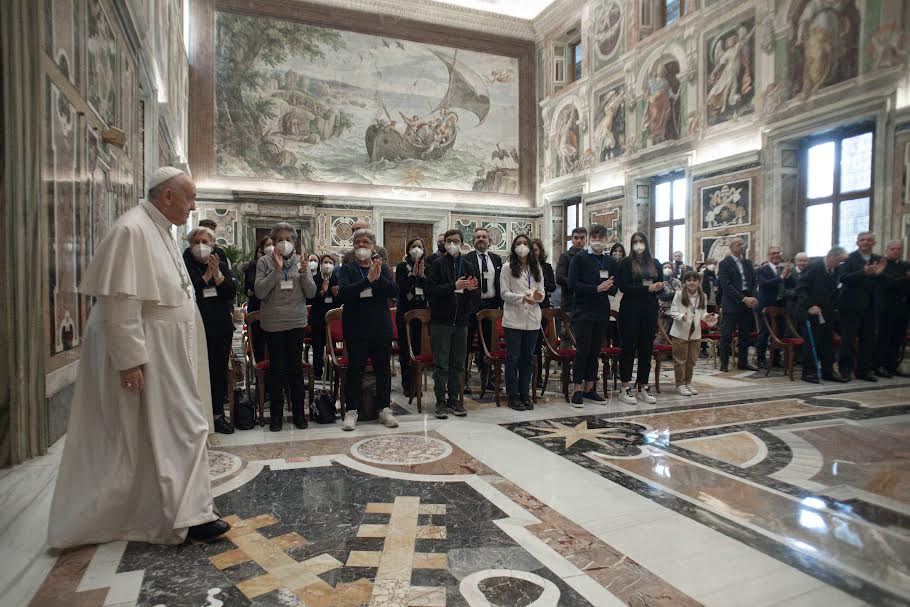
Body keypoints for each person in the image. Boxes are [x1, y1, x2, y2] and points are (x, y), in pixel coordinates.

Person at [48, 167, 230, 548]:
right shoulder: (132, 230)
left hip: (167, 354)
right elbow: (119, 302)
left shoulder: (160, 230)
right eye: (189, 198)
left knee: (178, 429)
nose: (193, 207)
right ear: (167, 196)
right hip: (150, 355)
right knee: (179, 429)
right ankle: (188, 515)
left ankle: (188, 511)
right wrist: (129, 360)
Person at [255, 222, 317, 431]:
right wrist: (276, 270)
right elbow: (260, 292)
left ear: (294, 242)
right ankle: (276, 417)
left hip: (296, 322)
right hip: (273, 323)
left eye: (288, 239)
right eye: (279, 239)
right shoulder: (264, 262)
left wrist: (304, 273)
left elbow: (311, 293)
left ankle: (299, 414)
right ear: (273, 242)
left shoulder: (301, 261)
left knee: (295, 369)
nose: (284, 243)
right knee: (277, 370)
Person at [337, 229, 400, 431]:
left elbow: (393, 291)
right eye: (358, 242)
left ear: (373, 247)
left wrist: (378, 276)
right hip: (356, 327)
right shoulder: (347, 269)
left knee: (383, 370)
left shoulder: (382, 267)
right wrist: (367, 280)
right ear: (353, 246)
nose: (361, 246)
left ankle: (384, 409)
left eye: (365, 242)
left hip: (380, 326)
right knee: (356, 370)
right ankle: (352, 411)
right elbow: (344, 294)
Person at [183, 226, 237, 435]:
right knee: (196, 372)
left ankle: (216, 415)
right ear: (190, 245)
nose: (201, 246)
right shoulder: (186, 265)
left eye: (205, 242)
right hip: (196, 326)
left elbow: (230, 293)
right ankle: (197, 416)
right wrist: (206, 277)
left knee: (218, 372)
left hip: (220, 327)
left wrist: (218, 276)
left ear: (213, 244)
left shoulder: (220, 264)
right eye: (196, 242)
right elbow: (188, 293)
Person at [427, 229, 478, 419]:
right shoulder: (437, 263)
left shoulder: (468, 265)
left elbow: (474, 292)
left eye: (455, 241)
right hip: (441, 320)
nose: (451, 244)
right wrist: (453, 286)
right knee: (441, 363)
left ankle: (454, 400)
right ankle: (440, 401)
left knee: (458, 363)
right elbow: (431, 291)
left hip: (461, 321)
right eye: (448, 241)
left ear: (462, 244)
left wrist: (471, 289)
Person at [568, 224, 619, 407]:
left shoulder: (610, 261)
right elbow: (573, 284)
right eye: (595, 237)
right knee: (582, 351)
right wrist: (596, 288)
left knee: (595, 351)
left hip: (601, 311)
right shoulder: (580, 258)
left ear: (606, 239)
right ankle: (577, 390)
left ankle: (590, 388)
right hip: (583, 311)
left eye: (601, 237)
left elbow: (615, 287)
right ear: (590, 239)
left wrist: (610, 286)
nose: (598, 240)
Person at [616, 232, 665, 405]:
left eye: (641, 241)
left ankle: (643, 385)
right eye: (635, 242)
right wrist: (647, 289)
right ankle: (625, 386)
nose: (638, 244)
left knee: (646, 348)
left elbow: (660, 285)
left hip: (649, 308)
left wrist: (659, 287)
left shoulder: (655, 263)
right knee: (628, 347)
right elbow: (623, 286)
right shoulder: (625, 263)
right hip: (630, 308)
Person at [500, 235, 545, 411]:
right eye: (519, 243)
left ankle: (524, 393)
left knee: (528, 359)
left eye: (525, 243)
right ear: (514, 247)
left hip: (532, 319)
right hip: (513, 320)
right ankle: (513, 395)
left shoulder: (536, 267)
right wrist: (522, 298)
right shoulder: (507, 267)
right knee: (513, 358)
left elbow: (541, 291)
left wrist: (539, 296)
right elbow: (504, 293)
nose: (522, 246)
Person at [838, 231, 887, 381]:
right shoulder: (849, 258)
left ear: (874, 243)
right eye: (863, 240)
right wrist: (863, 272)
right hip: (851, 305)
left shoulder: (879, 259)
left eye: (869, 240)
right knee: (848, 339)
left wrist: (879, 274)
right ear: (857, 243)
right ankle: (845, 370)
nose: (866, 242)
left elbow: (884, 283)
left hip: (871, 306)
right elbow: (844, 278)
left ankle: (863, 371)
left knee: (868, 339)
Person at [798, 247, 849, 383]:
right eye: (838, 261)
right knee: (812, 343)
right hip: (812, 311)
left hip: (828, 311)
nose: (839, 264)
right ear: (831, 257)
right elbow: (801, 288)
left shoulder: (835, 269)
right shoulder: (814, 267)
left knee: (828, 342)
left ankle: (828, 371)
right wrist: (809, 305)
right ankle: (809, 372)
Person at [465, 227, 503, 393]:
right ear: (473, 241)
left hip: (491, 306)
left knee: (487, 344)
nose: (481, 239)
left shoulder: (496, 259)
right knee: (466, 344)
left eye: (484, 237)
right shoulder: (467, 259)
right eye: (478, 237)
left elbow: (499, 282)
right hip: (471, 307)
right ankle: (464, 380)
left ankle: (487, 379)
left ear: (489, 241)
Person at [667, 271, 718, 395]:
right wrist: (681, 316)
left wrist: (708, 317)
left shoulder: (703, 296)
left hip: (695, 332)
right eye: (689, 280)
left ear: (698, 282)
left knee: (692, 360)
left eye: (694, 280)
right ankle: (680, 384)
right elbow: (672, 311)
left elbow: (703, 313)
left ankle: (688, 383)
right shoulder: (679, 294)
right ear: (684, 282)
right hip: (680, 332)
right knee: (680, 360)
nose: (691, 283)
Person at [717, 237, 759, 372]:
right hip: (732, 303)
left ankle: (743, 362)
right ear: (731, 247)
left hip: (747, 303)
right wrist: (743, 298)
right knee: (726, 335)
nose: (742, 246)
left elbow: (753, 282)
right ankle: (724, 363)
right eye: (739, 244)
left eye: (743, 244)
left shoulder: (747, 263)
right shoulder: (724, 263)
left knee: (745, 335)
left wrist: (753, 297)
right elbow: (726, 285)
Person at [395, 237, 429, 396]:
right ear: (408, 250)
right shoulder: (402, 267)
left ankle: (417, 384)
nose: (416, 249)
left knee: (418, 349)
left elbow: (431, 289)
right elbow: (400, 288)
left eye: (419, 246)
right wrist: (412, 276)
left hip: (422, 314)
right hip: (405, 313)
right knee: (405, 350)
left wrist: (423, 277)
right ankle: (407, 385)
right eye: (413, 246)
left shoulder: (428, 266)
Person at [755, 245, 796, 369]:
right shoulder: (763, 270)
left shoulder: (784, 269)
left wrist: (788, 276)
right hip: (766, 305)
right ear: (769, 255)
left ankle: (776, 359)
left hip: (781, 305)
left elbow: (793, 284)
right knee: (764, 333)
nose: (776, 255)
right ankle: (761, 359)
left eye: (778, 253)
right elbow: (764, 284)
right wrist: (781, 277)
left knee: (780, 332)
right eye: (773, 253)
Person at [875, 240, 910, 378]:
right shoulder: (882, 264)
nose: (896, 251)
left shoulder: (906, 265)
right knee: (884, 338)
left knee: (898, 339)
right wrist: (905, 279)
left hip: (902, 308)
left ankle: (892, 366)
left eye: (899, 249)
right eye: (893, 249)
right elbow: (888, 284)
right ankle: (879, 365)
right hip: (885, 308)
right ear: (887, 250)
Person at [310, 254, 340, 381]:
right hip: (317, 317)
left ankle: (329, 373)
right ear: (321, 265)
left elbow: (339, 303)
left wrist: (336, 295)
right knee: (317, 347)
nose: (327, 265)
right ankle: (317, 372)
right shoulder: (314, 278)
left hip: (331, 320)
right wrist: (322, 292)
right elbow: (310, 299)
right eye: (325, 262)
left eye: (330, 262)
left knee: (330, 346)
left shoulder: (336, 279)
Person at [532, 238, 556, 388]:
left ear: (540, 251)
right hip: (527, 306)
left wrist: (541, 287)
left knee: (537, 342)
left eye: (536, 250)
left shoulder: (546, 267)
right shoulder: (523, 267)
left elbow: (552, 286)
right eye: (531, 249)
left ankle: (538, 376)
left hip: (542, 307)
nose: (534, 252)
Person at [244, 236, 272, 363]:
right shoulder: (253, 265)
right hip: (257, 306)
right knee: (259, 342)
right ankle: (259, 368)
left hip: (273, 307)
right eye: (267, 245)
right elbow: (251, 285)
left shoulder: (278, 263)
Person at [556, 227, 588, 334]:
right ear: (572, 239)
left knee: (584, 336)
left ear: (586, 240)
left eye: (582, 238)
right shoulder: (565, 256)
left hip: (585, 303)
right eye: (576, 238)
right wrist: (577, 283)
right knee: (568, 335)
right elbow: (559, 278)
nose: (579, 241)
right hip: (569, 303)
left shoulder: (589, 256)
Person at [607, 243, 626, 348]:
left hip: (622, 297)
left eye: (620, 251)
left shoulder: (626, 265)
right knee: (609, 328)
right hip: (609, 296)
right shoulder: (607, 263)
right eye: (615, 251)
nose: (617, 253)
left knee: (619, 332)